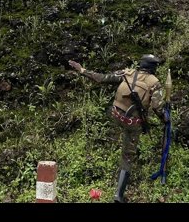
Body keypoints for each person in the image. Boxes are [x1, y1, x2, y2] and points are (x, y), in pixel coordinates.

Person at [68, 55, 166, 203]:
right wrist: (166, 119)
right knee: (127, 155)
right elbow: (157, 107)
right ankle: (118, 196)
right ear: (153, 68)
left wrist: (82, 70)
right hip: (133, 123)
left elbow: (101, 78)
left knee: (127, 135)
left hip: (115, 115)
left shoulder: (127, 73)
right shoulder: (155, 83)